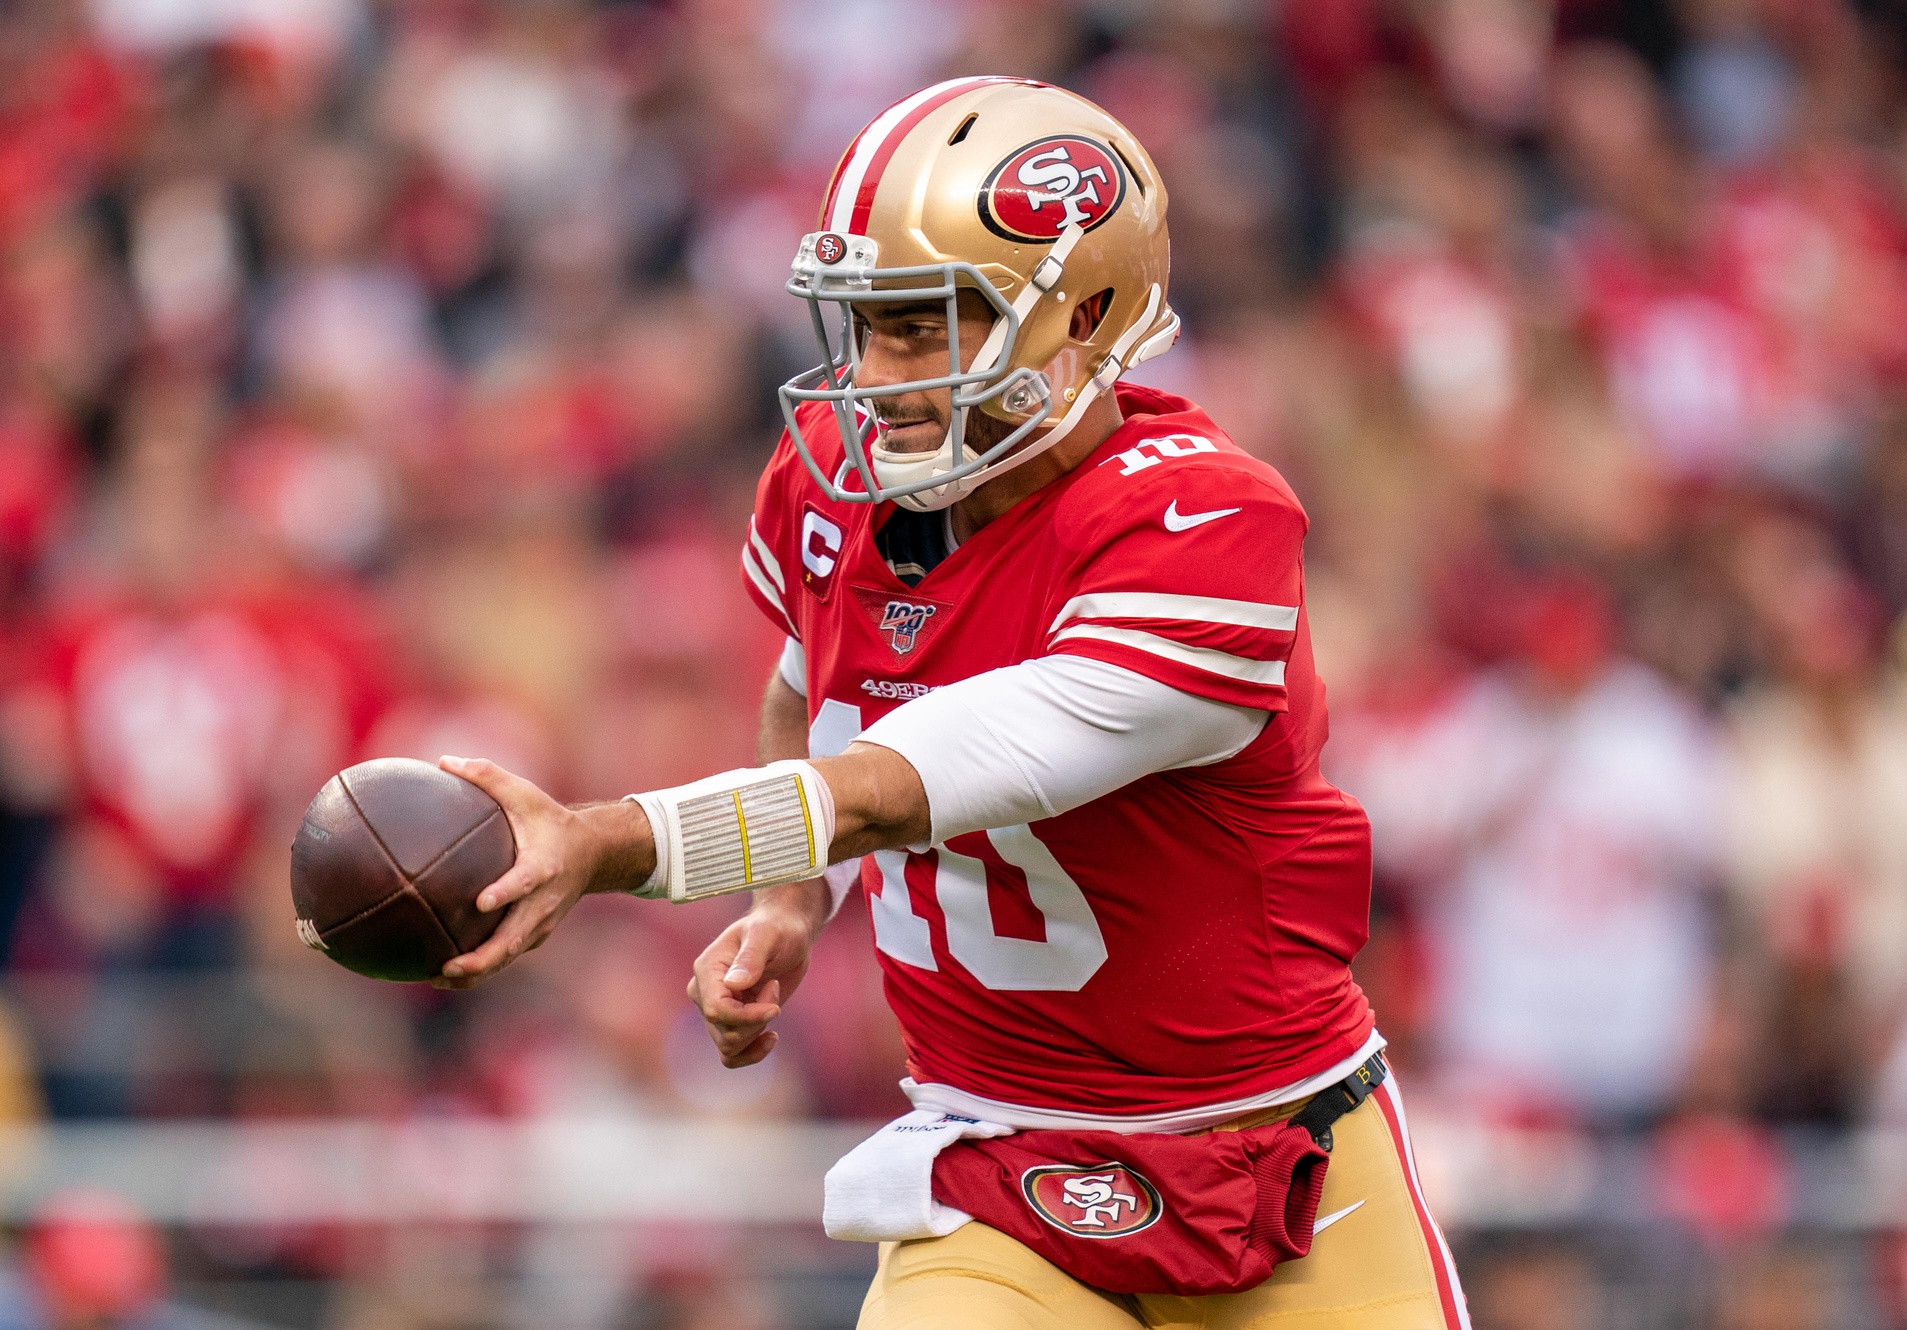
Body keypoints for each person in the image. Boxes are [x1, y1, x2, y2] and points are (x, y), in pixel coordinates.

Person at [424, 78, 1471, 1329]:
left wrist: (608, 841)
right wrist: (787, 900)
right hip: (997, 1168)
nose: (877, 376)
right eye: (864, 325)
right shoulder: (840, 500)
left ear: (1084, 318)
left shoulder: (1204, 524)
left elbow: (929, 767)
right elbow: (812, 685)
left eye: (925, 327)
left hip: (1276, 1162)